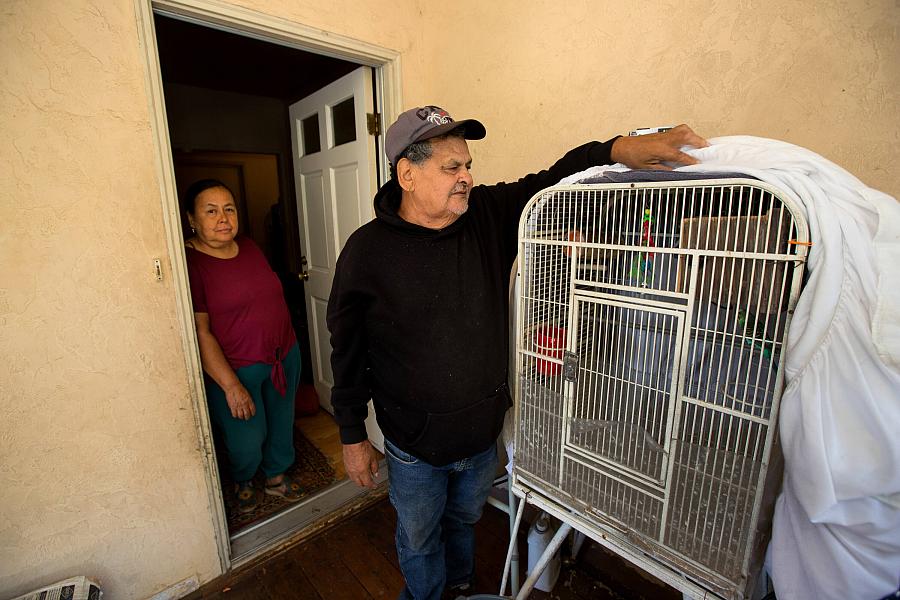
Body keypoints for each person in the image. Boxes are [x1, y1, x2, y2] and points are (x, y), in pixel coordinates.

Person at [326, 106, 707, 599]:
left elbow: (552, 182)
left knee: (464, 522)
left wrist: (616, 150)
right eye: (451, 168)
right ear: (407, 174)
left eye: (468, 166)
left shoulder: (486, 216)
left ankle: (459, 588)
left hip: (481, 440)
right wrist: (352, 435)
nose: (466, 178)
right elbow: (348, 351)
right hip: (414, 446)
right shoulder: (366, 251)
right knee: (420, 539)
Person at [183, 179, 303, 513]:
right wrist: (232, 386)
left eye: (229, 209)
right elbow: (200, 332)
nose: (223, 218)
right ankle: (243, 478)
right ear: (191, 219)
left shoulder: (249, 247)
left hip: (284, 355)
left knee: (281, 424)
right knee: (246, 438)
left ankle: (276, 477)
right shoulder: (190, 264)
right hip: (236, 369)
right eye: (211, 211)